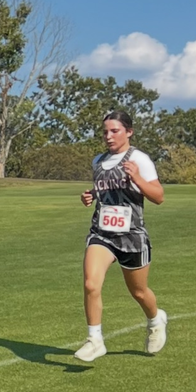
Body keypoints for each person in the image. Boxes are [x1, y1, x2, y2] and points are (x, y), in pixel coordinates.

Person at [74, 110, 167, 362]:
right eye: (105, 131)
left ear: (129, 132)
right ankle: (94, 340)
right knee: (91, 284)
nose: (108, 136)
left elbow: (158, 196)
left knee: (139, 292)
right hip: (102, 234)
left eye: (114, 131)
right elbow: (105, 189)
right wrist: (90, 195)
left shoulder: (139, 159)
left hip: (132, 236)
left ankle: (155, 321)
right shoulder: (98, 161)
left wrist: (136, 177)